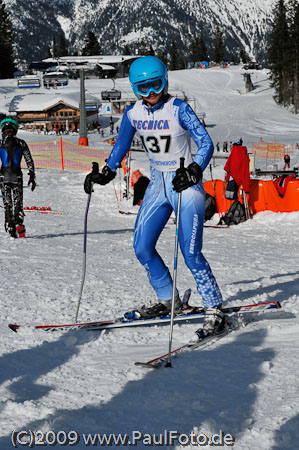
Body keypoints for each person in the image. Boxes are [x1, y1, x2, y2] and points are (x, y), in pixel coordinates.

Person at [84, 56, 224, 337]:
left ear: (166, 81)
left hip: (185, 183)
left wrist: (195, 170)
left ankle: (214, 307)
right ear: (135, 90)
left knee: (191, 253)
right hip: (157, 184)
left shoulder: (178, 109)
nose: (151, 94)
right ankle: (168, 300)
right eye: (143, 89)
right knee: (142, 248)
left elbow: (206, 143)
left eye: (156, 85)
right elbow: (122, 144)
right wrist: (107, 171)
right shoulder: (133, 114)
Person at [0, 118, 36, 238]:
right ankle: (19, 223)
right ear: (15, 131)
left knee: (7, 204)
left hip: (3, 176)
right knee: (18, 202)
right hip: (17, 176)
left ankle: (9, 223)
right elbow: (29, 160)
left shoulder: (0, 143)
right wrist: (32, 175)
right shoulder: (21, 143)